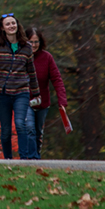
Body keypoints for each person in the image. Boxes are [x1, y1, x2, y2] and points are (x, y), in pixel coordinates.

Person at [0, 13, 40, 160]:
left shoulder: (26, 47)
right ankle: (8, 159)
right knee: (5, 131)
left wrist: (36, 93)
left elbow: (31, 71)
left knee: (20, 124)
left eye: (13, 23)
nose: (11, 26)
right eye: (8, 24)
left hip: (21, 92)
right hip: (2, 94)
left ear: (17, 25)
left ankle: (23, 159)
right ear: (3, 28)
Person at [23, 27, 67, 159]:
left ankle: (36, 155)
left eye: (36, 42)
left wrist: (62, 101)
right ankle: (32, 158)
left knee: (37, 131)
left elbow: (57, 79)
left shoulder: (47, 57)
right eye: (30, 42)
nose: (34, 45)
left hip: (43, 102)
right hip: (25, 100)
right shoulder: (21, 57)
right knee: (29, 128)